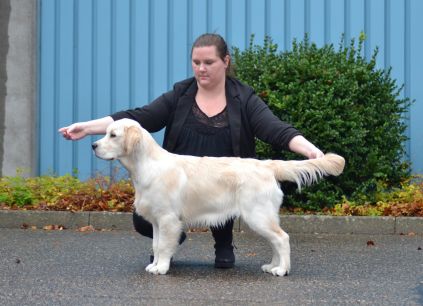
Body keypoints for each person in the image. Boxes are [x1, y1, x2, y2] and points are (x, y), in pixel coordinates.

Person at [59, 33, 324, 269]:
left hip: (230, 179)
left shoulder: (243, 97)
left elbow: (274, 129)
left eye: (208, 62)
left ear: (226, 62)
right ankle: (170, 243)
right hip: (180, 181)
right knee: (147, 217)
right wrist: (86, 127)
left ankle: (223, 244)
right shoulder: (181, 93)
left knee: (226, 204)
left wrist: (309, 150)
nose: (201, 68)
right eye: (196, 62)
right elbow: (138, 117)